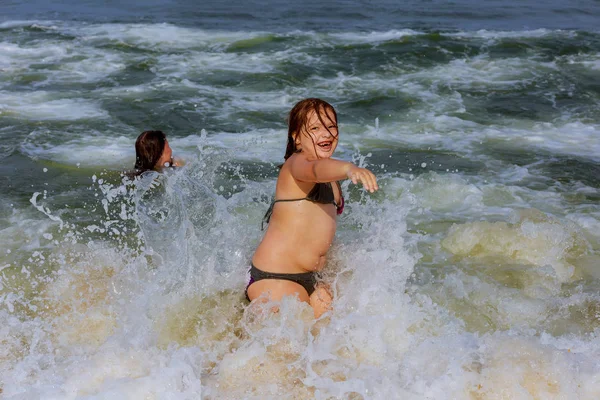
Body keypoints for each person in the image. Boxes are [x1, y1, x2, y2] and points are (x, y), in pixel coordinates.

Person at [246, 98, 379, 318]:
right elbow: (315, 170)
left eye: (331, 126)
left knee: (332, 342)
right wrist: (348, 168)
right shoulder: (297, 164)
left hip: (313, 280)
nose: (326, 133)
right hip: (276, 277)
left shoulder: (332, 179)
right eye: (315, 128)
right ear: (297, 138)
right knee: (287, 347)